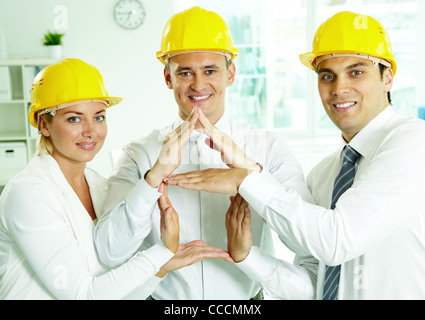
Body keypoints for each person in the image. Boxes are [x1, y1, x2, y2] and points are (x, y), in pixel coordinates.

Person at [167, 11, 425, 300]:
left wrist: (247, 179)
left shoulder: (414, 142)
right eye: (327, 76)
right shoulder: (325, 174)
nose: (339, 88)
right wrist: (246, 256)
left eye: (356, 71)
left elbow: (337, 241)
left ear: (387, 76)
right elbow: (313, 284)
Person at [94, 6, 312, 300]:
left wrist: (250, 179)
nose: (198, 85)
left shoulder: (269, 148)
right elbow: (110, 250)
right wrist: (151, 181)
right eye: (185, 73)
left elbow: (306, 239)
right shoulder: (139, 154)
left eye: (210, 70)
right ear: (168, 78)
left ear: (230, 74)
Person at [0, 58, 230, 300]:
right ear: (43, 124)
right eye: (74, 119)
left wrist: (161, 267)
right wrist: (160, 254)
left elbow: (116, 293)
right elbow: (83, 294)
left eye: (99, 117)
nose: (91, 130)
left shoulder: (98, 185)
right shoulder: (29, 193)